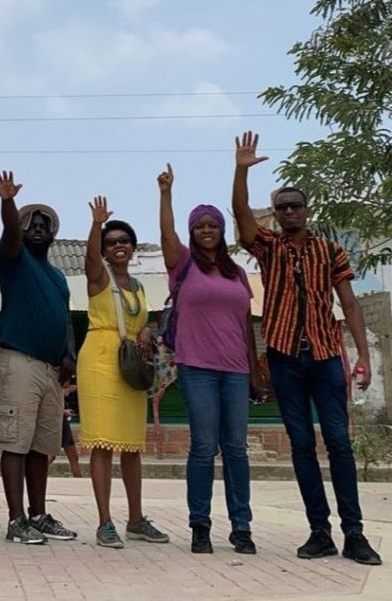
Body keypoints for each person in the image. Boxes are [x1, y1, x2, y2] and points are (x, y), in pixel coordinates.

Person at [232, 131, 382, 566]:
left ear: (307, 210)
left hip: (324, 355)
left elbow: (349, 303)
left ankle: (354, 533)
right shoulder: (269, 248)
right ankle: (319, 531)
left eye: (295, 206)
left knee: (338, 441)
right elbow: (241, 215)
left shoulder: (330, 250)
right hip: (283, 355)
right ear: (275, 215)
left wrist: (363, 356)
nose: (289, 212)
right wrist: (241, 170)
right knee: (300, 444)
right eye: (281, 208)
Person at [158, 164, 261, 555]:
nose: (206, 230)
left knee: (236, 448)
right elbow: (166, 233)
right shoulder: (182, 265)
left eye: (212, 225)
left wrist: (253, 371)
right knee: (203, 447)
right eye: (199, 225)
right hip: (196, 367)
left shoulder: (237, 273)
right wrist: (166, 192)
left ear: (221, 231)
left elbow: (246, 325)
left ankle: (242, 527)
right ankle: (200, 525)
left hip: (235, 370)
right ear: (192, 231)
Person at [0, 172, 77, 545]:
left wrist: (69, 353)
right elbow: (10, 233)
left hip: (50, 368)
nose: (37, 228)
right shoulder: (14, 259)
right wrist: (8, 203)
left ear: (53, 235)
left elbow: (64, 314)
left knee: (42, 445)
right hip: (18, 360)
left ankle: (39, 515)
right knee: (16, 441)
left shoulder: (58, 276)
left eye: (45, 225)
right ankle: (16, 520)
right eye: (31, 224)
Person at [79, 197, 169, 549]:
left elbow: (141, 320)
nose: (119, 246)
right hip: (101, 361)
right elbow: (88, 261)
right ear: (104, 249)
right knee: (102, 443)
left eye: (124, 241)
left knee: (132, 445)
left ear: (132, 248)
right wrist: (96, 224)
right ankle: (105, 523)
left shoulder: (140, 286)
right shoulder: (99, 278)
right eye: (112, 242)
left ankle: (135, 518)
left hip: (130, 364)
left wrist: (146, 330)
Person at [50, 382, 81, 478]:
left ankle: (78, 479)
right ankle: (33, 474)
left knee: (73, 455)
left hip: (61, 418)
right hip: (56, 418)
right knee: (51, 454)